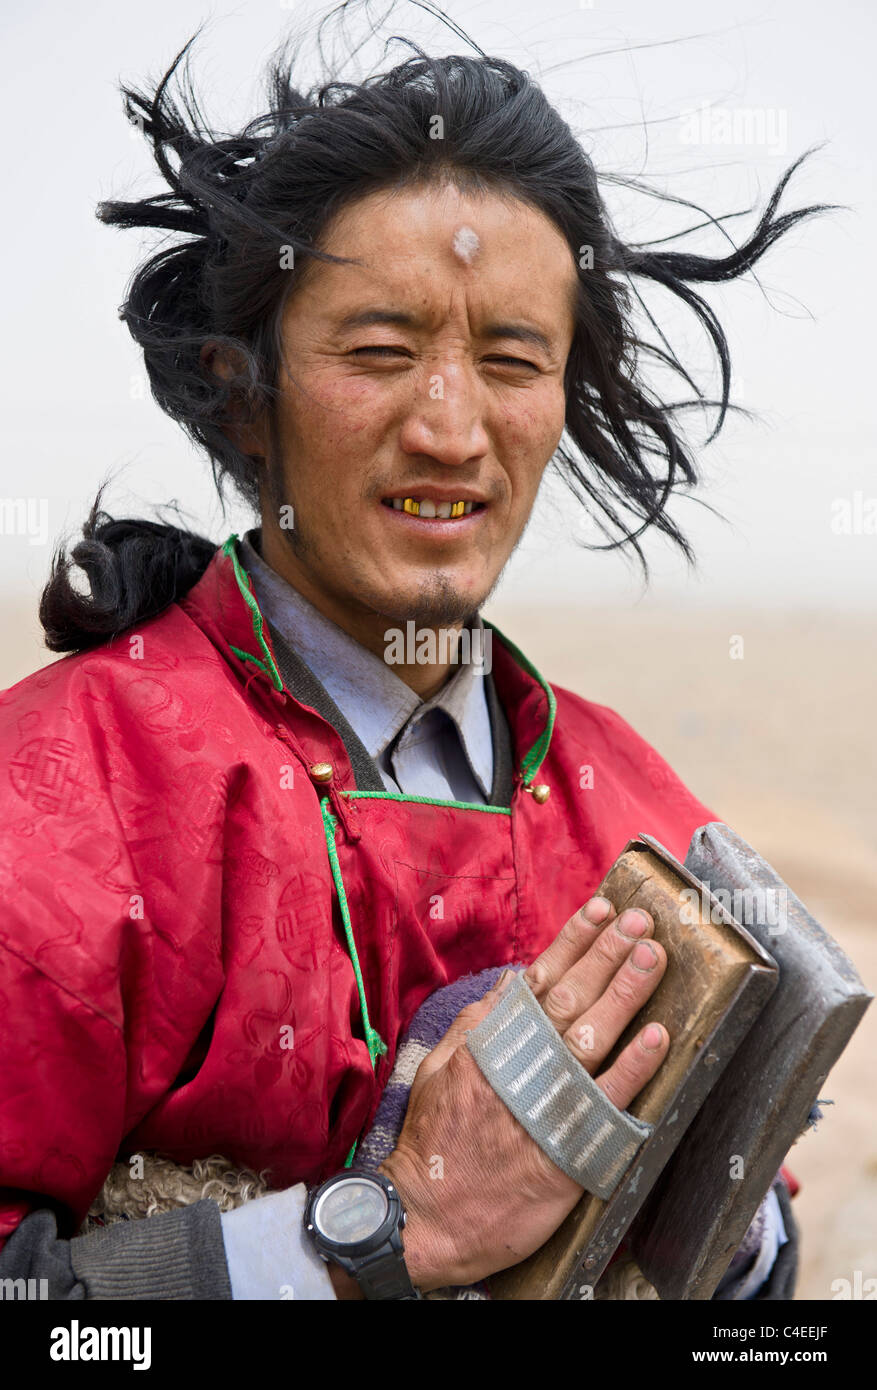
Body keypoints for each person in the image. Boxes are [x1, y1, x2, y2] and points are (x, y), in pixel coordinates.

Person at [0, 12, 822, 1299]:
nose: (450, 428)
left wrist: (714, 1239)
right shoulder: (62, 796)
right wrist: (383, 1234)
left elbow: (761, 1229)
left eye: (511, 359)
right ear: (243, 393)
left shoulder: (639, 810)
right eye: (380, 352)